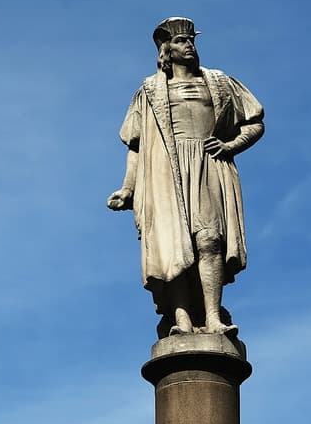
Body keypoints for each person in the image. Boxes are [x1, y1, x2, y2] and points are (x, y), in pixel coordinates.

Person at [107, 17, 265, 338]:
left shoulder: (219, 82)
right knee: (172, 246)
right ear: (167, 49)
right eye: (181, 41)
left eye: (191, 40)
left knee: (209, 240)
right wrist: (127, 188)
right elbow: (136, 145)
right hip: (165, 174)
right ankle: (181, 320)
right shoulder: (148, 92)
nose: (189, 45)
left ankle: (213, 316)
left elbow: (254, 121)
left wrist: (230, 144)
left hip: (208, 166)